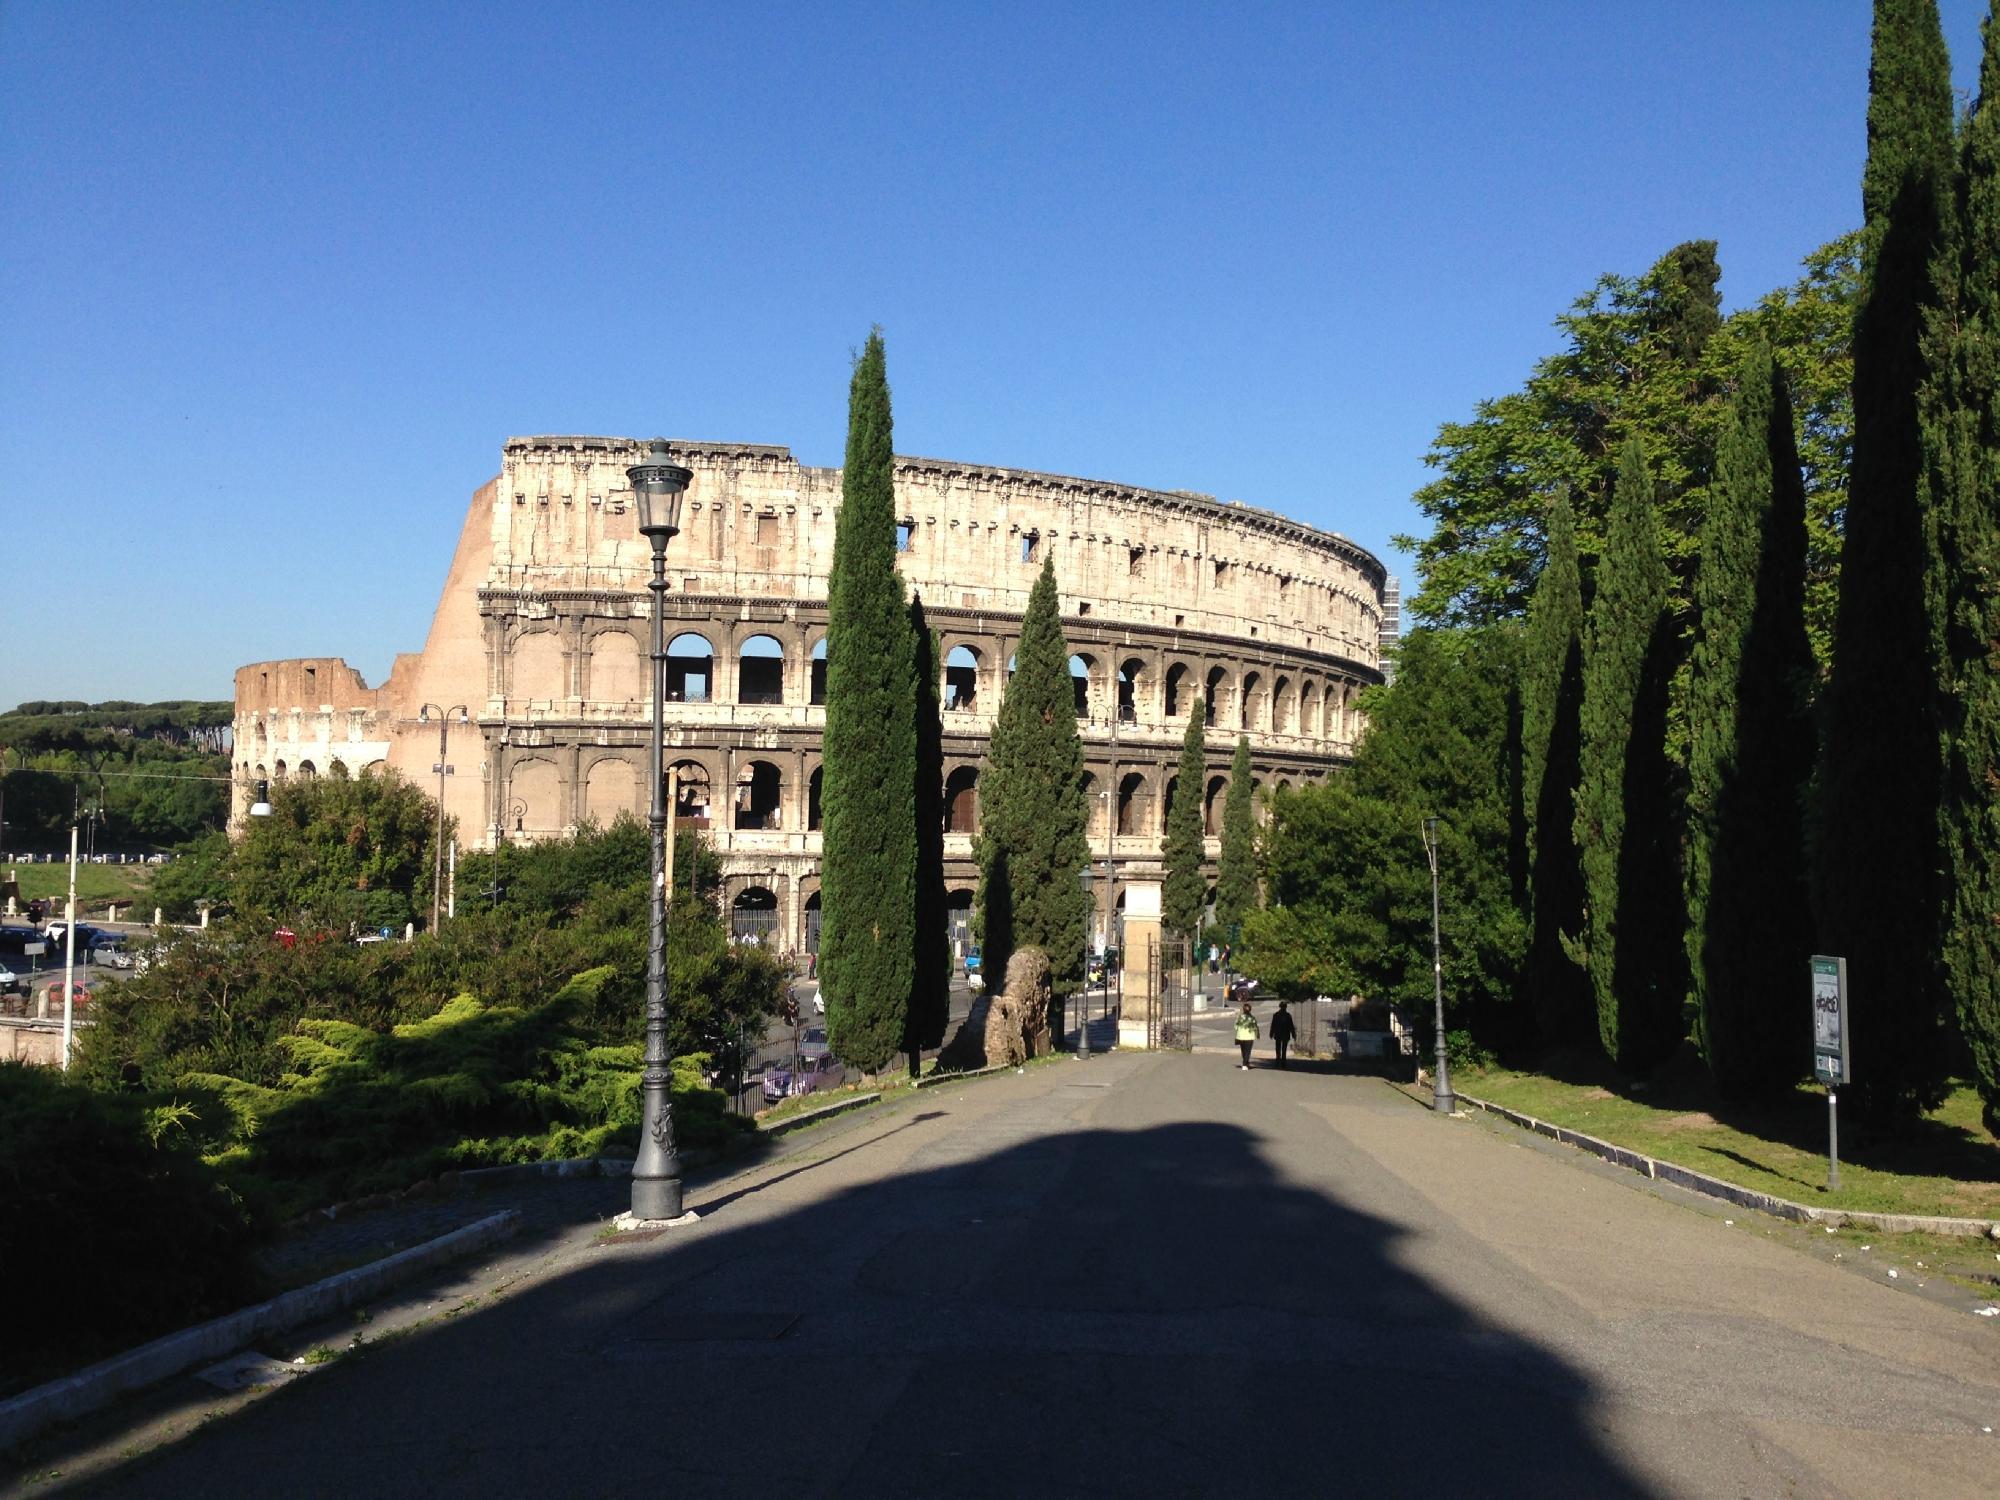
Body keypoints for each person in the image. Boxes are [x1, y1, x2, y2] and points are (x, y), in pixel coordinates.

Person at [1233, 998, 1259, 1070]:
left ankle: (1246, 1063)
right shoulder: (1252, 1018)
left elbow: (1235, 1027)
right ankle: (1244, 1064)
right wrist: (1257, 1034)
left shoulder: (1240, 1017)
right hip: (1249, 1037)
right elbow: (1255, 1027)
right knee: (1248, 1051)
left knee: (1243, 1051)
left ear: (1243, 1010)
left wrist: (1239, 1029)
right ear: (1250, 1010)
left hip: (1240, 1037)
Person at [1270, 1000, 1296, 1069]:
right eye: (1283, 1006)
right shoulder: (1278, 1015)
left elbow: (1291, 1026)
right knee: (1280, 1048)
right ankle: (1279, 1061)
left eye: (1284, 1006)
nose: (1284, 1008)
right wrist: (1271, 1033)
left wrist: (1293, 1034)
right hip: (1280, 1034)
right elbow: (1273, 1025)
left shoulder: (1286, 1015)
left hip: (1283, 1034)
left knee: (1281, 1048)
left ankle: (1281, 1061)